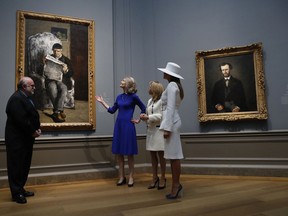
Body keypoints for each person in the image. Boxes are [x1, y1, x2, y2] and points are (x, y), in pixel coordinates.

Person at [96, 77, 146, 187]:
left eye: (123, 80)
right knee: (119, 154)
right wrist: (102, 102)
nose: (121, 81)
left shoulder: (134, 97)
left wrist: (139, 119)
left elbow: (144, 108)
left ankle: (131, 176)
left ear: (128, 84)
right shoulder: (119, 97)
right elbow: (112, 110)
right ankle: (121, 176)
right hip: (119, 126)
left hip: (128, 126)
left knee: (129, 154)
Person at [5, 77, 42, 204]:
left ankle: (20, 189)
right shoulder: (16, 99)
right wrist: (33, 131)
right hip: (17, 140)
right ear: (24, 87)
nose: (34, 87)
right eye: (32, 85)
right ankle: (16, 194)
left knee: (24, 166)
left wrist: (36, 129)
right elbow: (21, 120)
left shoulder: (26, 98)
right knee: (16, 166)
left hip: (25, 139)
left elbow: (30, 117)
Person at [157, 62, 184, 199]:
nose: (163, 73)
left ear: (169, 74)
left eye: (165, 71)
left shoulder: (172, 85)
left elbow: (171, 107)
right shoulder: (175, 85)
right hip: (172, 122)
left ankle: (176, 186)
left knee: (174, 157)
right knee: (173, 156)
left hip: (171, 123)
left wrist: (167, 129)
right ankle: (176, 185)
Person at [140, 81, 166, 190]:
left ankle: (163, 177)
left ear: (155, 89)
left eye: (150, 86)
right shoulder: (149, 100)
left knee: (161, 156)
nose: (148, 88)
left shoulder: (162, 101)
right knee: (152, 156)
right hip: (150, 131)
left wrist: (148, 117)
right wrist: (143, 118)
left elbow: (161, 116)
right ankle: (154, 177)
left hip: (159, 131)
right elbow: (149, 115)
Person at [44, 43, 74, 122]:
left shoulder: (66, 60)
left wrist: (66, 70)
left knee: (63, 88)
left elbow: (71, 73)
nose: (56, 53)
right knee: (52, 89)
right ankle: (59, 111)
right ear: (52, 51)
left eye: (58, 51)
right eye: (54, 51)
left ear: (61, 51)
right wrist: (44, 64)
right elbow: (41, 71)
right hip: (50, 80)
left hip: (61, 80)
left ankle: (57, 111)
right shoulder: (49, 58)